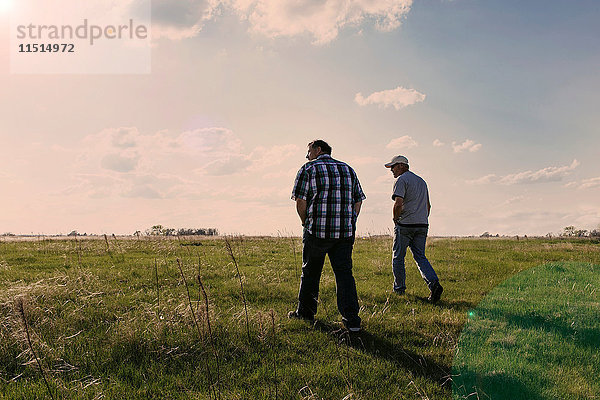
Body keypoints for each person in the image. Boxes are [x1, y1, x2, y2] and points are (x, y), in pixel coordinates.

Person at [289, 140, 366, 332]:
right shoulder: (348, 169)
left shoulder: (309, 169)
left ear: (318, 150)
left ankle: (305, 314)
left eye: (308, 152)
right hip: (345, 234)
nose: (307, 156)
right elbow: (358, 200)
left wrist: (305, 222)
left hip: (317, 232)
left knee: (310, 273)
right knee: (345, 275)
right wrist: (351, 220)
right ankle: (352, 321)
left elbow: (300, 201)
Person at [385, 155, 443, 303]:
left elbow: (398, 203)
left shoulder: (401, 180)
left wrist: (396, 220)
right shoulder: (421, 181)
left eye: (393, 166)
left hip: (405, 225)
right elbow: (428, 206)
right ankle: (434, 284)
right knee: (420, 257)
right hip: (422, 224)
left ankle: (399, 289)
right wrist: (422, 218)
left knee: (398, 257)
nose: (391, 170)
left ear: (402, 166)